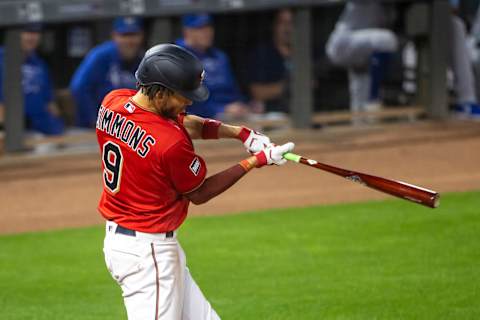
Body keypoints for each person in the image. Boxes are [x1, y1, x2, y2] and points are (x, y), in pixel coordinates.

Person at [97, 43, 294, 319]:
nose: (189, 101)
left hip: (135, 242)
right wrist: (256, 161)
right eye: (182, 95)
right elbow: (200, 193)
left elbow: (182, 121)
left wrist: (242, 134)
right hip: (148, 253)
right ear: (160, 92)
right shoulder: (169, 144)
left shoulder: (113, 102)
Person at [325, 0, 398, 120]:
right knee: (388, 40)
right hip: (344, 41)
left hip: (364, 46)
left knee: (359, 102)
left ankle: (359, 124)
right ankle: (374, 99)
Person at [70, 17, 144, 128]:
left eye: (133, 35)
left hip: (129, 127)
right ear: (114, 36)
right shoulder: (100, 56)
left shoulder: (144, 59)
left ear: (141, 36)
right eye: (124, 35)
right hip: (96, 126)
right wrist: (94, 120)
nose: (129, 41)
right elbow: (79, 87)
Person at [176, 13, 250, 120]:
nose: (208, 33)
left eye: (209, 27)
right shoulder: (178, 57)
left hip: (231, 115)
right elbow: (188, 102)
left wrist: (244, 105)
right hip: (197, 119)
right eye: (200, 28)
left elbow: (234, 91)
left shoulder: (220, 56)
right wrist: (222, 109)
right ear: (187, 31)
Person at [0, 24, 64, 135]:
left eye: (35, 33)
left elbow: (50, 103)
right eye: (27, 32)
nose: (32, 37)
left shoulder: (39, 63)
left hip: (41, 128)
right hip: (12, 131)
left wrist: (58, 127)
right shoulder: (2, 59)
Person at [247, 8, 293, 116]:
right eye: (282, 23)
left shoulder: (305, 51)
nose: (287, 28)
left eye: (291, 23)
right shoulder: (262, 54)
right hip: (270, 115)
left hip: (304, 112)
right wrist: (290, 86)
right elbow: (257, 93)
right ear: (274, 26)